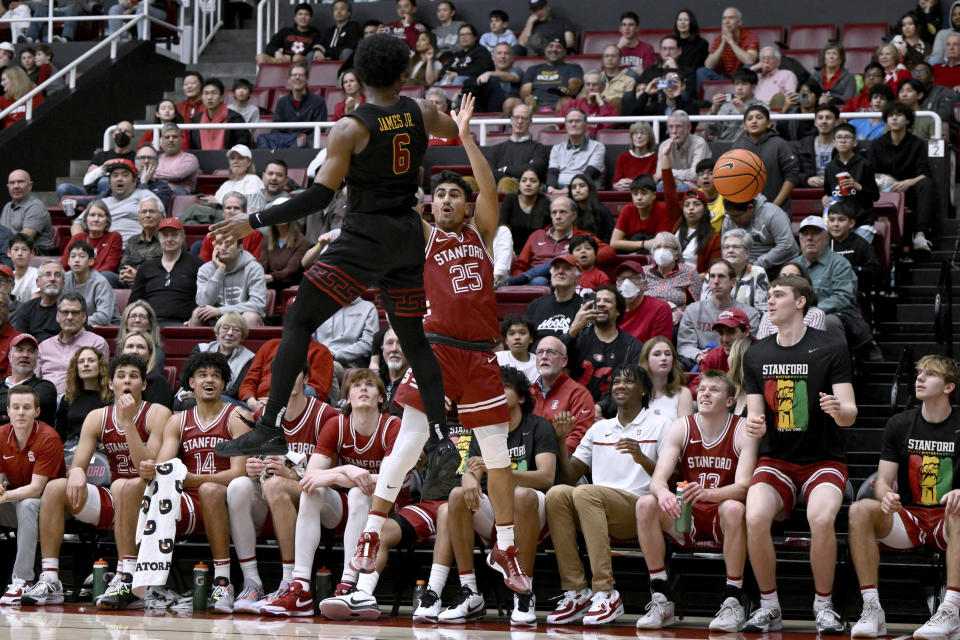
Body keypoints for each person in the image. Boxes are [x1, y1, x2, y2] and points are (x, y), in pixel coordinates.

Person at [209, 35, 460, 473]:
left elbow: (317, 198)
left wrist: (252, 220)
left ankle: (270, 425)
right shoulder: (419, 110)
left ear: (358, 77)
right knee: (416, 342)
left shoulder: (350, 128)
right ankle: (441, 441)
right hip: (407, 235)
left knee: (299, 320)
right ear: (403, 74)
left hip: (365, 236)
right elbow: (453, 131)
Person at [321, 96, 532, 616]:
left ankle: (505, 545)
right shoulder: (425, 236)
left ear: (464, 206)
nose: (443, 202)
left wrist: (463, 135)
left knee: (498, 455)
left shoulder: (482, 237)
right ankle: (371, 532)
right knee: (410, 439)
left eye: (451, 197)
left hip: (480, 356)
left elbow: (487, 187)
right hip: (435, 350)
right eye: (436, 195)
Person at [740, 274, 857, 634]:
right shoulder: (757, 352)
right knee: (755, 515)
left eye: (779, 295)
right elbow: (754, 416)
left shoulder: (830, 345)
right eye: (769, 296)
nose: (770, 301)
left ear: (801, 302)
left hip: (823, 459)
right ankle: (769, 605)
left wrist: (838, 409)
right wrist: (754, 426)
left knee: (821, 520)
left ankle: (823, 606)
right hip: (776, 460)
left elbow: (851, 414)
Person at [23, 355, 169, 608]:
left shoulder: (158, 413)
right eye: (121, 376)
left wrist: (127, 424)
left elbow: (147, 470)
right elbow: (78, 464)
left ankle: (128, 577)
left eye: (134, 376)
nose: (127, 381)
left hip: (152, 503)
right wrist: (77, 471)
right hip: (117, 497)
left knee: (127, 485)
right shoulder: (97, 417)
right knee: (56, 487)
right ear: (110, 384)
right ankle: (50, 579)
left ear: (143, 385)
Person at [258, 369, 401, 617]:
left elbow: (392, 479)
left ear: (381, 397)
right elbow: (310, 476)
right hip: (350, 511)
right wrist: (346, 470)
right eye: (357, 385)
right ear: (347, 396)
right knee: (312, 492)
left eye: (370, 385)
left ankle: (348, 583)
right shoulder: (337, 424)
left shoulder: (392, 424)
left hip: (388, 510)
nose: (363, 389)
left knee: (358, 493)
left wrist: (344, 476)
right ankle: (300, 587)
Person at [423, 365, 557, 626]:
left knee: (522, 497)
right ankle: (470, 591)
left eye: (504, 387)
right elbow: (469, 470)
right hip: (495, 511)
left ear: (520, 397)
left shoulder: (540, 426)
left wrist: (500, 471)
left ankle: (524, 592)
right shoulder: (482, 429)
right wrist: (471, 479)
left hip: (534, 513)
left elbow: (546, 477)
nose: (496, 392)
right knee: (457, 495)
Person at [545, 364, 672, 626]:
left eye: (628, 381)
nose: (620, 386)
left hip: (640, 510)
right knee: (557, 494)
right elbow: (569, 476)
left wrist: (640, 457)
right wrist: (560, 440)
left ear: (644, 390)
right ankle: (577, 592)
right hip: (594, 506)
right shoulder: (599, 429)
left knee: (586, 493)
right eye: (616, 382)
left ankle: (605, 592)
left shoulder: (661, 424)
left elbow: (671, 476)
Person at [634, 370, 759, 631]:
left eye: (713, 390)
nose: (704, 394)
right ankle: (661, 596)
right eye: (702, 389)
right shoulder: (682, 426)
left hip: (722, 514)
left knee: (735, 508)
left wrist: (709, 493)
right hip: (686, 514)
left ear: (729, 401)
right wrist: (665, 493)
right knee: (645, 503)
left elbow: (745, 487)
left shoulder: (742, 429)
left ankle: (733, 599)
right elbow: (658, 480)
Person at [848, 355, 960, 640]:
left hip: (948, 520)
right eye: (919, 373)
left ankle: (951, 610)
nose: (920, 378)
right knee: (860, 510)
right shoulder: (899, 424)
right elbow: (884, 480)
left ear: (949, 387)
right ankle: (872, 609)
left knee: (958, 509)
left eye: (930, 374)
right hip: (910, 516)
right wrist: (886, 496)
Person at [128, 352, 251, 612]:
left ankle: (223, 581)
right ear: (191, 383)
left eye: (216, 376)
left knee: (209, 489)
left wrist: (196, 479)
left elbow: (239, 472)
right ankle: (139, 579)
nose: (210, 380)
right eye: (203, 375)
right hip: (190, 498)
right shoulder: (178, 420)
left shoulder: (237, 416)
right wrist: (152, 468)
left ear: (224, 385)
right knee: (135, 490)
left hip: (231, 499)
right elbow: (164, 467)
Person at [225, 364, 339, 614]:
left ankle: (290, 582)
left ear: (306, 378)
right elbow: (255, 459)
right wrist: (253, 468)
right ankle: (251, 582)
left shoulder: (325, 414)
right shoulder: (265, 415)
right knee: (238, 486)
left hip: (326, 497)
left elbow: (332, 470)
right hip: (280, 494)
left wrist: (293, 472)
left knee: (276, 483)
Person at [0, 385, 64, 606]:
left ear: (37, 411)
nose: (20, 413)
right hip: (15, 502)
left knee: (27, 504)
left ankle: (22, 580)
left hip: (50, 508)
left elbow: (37, 489)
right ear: (8, 410)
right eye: (15, 407)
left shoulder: (48, 438)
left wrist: (4, 496)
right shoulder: (1, 435)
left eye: (26, 408)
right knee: (22, 503)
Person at [793, 215, 881, 361]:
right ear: (800, 239)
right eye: (805, 234)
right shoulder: (793, 266)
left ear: (826, 239)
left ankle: (835, 369)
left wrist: (811, 312)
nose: (809, 238)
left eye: (815, 233)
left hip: (836, 315)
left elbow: (843, 297)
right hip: (798, 315)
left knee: (827, 322)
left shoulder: (840, 264)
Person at [866, 102, 940, 253]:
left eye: (899, 115)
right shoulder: (877, 144)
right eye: (891, 115)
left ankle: (921, 234)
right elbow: (870, 173)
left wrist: (908, 182)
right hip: (883, 191)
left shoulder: (916, 143)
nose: (894, 118)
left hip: (909, 190)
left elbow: (925, 172)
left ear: (907, 120)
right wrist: (885, 183)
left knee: (927, 184)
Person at [678, 259, 760, 368]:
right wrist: (698, 355)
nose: (716, 281)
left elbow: (749, 348)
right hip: (700, 363)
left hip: (735, 364)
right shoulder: (693, 310)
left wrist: (717, 356)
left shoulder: (749, 314)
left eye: (721, 276)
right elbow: (685, 345)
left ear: (733, 282)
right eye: (712, 276)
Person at [130, 217, 204, 327]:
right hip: (150, 325)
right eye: (165, 235)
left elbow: (204, 299)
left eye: (174, 235)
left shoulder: (197, 265)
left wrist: (193, 320)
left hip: (184, 325)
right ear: (159, 238)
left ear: (183, 237)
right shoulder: (146, 267)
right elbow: (134, 302)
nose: (169, 239)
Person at [36, 293, 109, 397]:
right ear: (58, 316)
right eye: (65, 312)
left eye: (75, 313)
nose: (69, 317)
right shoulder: (44, 346)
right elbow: (34, 381)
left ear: (84, 316)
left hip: (79, 401)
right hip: (45, 402)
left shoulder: (96, 343)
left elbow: (100, 381)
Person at [70, 159, 156, 246]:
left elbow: (159, 223)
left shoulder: (146, 197)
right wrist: (83, 247)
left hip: (137, 249)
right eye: (115, 175)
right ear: (110, 183)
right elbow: (77, 224)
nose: (119, 179)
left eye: (125, 175)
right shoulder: (102, 203)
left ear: (134, 181)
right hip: (105, 251)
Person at [239, 337, 333, 415]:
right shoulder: (270, 345)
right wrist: (253, 403)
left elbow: (317, 391)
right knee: (226, 401)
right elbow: (248, 382)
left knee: (309, 391)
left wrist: (275, 402)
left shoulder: (320, 351)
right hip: (256, 404)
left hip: (291, 405)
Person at [733, 105, 800, 213]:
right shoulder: (737, 146)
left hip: (778, 209)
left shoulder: (780, 144)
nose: (754, 121)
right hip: (746, 212)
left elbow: (792, 176)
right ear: (745, 125)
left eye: (759, 118)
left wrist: (774, 206)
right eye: (750, 119)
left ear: (769, 123)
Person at [190, 238, 268, 329]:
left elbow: (258, 304)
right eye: (219, 243)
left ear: (240, 247)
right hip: (215, 319)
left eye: (228, 243)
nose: (223, 247)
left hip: (242, 318)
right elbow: (203, 303)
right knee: (198, 313)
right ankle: (198, 344)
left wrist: (220, 311)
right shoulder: (205, 269)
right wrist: (220, 271)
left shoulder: (254, 268)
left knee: (250, 317)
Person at [720, 194, 799, 275]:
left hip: (778, 267)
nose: (733, 221)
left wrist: (755, 266)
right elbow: (724, 247)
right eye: (730, 216)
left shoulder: (773, 214)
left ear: (750, 208)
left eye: (737, 217)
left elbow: (787, 245)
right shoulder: (729, 219)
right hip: (743, 268)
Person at [186, 312, 255, 406]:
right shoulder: (201, 349)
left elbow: (235, 391)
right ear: (217, 333)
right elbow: (187, 378)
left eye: (236, 330)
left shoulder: (249, 358)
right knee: (185, 402)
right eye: (225, 328)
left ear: (242, 336)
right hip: (191, 394)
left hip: (226, 400)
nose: (230, 333)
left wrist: (205, 395)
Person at [56, 120, 135, 201]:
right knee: (63, 188)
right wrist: (102, 169)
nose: (122, 133)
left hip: (119, 197)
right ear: (113, 134)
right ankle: (90, 202)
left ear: (132, 136)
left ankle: (90, 203)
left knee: (104, 182)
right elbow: (87, 182)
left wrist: (99, 173)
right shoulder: (100, 156)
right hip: (93, 193)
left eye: (126, 131)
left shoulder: (135, 158)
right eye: (119, 130)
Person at [257, 64, 327, 150]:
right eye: (294, 75)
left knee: (300, 142)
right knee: (262, 138)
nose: (297, 78)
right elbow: (276, 127)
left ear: (307, 79)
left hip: (305, 141)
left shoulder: (318, 101)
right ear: (289, 80)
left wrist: (303, 140)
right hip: (285, 139)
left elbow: (321, 129)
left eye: (301, 75)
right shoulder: (282, 102)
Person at [313, 295, 379, 386]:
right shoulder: (321, 308)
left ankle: (330, 401)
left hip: (350, 365)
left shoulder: (368, 307)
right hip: (320, 359)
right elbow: (311, 340)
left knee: (327, 368)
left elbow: (368, 343)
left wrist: (334, 355)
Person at [823, 123, 879, 228]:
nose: (843, 141)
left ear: (855, 143)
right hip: (840, 222)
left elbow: (875, 196)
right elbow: (829, 193)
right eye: (839, 138)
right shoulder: (830, 167)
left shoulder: (865, 164)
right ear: (834, 143)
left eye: (847, 137)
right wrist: (825, 198)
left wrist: (857, 186)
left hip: (863, 220)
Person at [485, 103, 549, 194]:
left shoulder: (538, 148)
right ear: (511, 120)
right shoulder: (496, 149)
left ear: (530, 122)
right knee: (468, 181)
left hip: (526, 192)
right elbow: (489, 173)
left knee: (506, 183)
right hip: (495, 190)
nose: (519, 121)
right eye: (516, 117)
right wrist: (515, 175)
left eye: (524, 118)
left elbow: (535, 168)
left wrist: (505, 169)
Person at [686, 308, 754, 393]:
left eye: (731, 332)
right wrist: (708, 392)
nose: (725, 339)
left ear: (746, 331)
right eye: (721, 333)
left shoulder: (761, 353)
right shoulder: (714, 356)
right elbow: (693, 387)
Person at [756, 262, 827, 338]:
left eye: (792, 276)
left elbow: (813, 347)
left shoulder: (815, 314)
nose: (786, 280)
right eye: (782, 277)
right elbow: (761, 348)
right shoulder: (768, 316)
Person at [643, 231, 703, 323]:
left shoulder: (689, 272)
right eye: (658, 247)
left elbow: (697, 306)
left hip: (674, 321)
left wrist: (679, 315)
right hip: (646, 317)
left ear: (676, 254)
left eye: (666, 247)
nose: (662, 251)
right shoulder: (644, 271)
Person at [826, 201, 882, 296]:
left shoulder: (861, 244)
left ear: (851, 223)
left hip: (856, 294)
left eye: (841, 220)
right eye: (832, 220)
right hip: (828, 293)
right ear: (827, 223)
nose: (835, 224)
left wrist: (851, 270)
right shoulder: (824, 244)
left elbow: (875, 270)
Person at [698, 6, 759, 88]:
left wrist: (731, 42)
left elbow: (750, 60)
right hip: (723, 79)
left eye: (731, 18)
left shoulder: (750, 37)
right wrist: (723, 44)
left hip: (742, 82)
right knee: (702, 72)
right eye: (724, 18)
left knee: (748, 68)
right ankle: (705, 101)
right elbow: (708, 65)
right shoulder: (718, 40)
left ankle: (744, 100)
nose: (726, 21)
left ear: (739, 22)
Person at [524, 256, 583, 340]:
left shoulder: (583, 308)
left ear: (577, 278)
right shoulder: (536, 304)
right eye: (556, 268)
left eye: (566, 268)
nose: (560, 271)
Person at [63, 240, 120, 326]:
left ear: (91, 261)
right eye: (73, 256)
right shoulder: (64, 280)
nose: (77, 260)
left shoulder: (101, 282)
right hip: (74, 326)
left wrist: (74, 320)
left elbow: (103, 317)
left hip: (104, 329)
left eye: (82, 256)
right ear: (68, 261)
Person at [497, 168, 550, 260]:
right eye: (524, 180)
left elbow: (546, 235)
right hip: (510, 251)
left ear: (540, 185)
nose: (528, 184)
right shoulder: (510, 200)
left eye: (533, 181)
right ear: (519, 184)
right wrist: (507, 249)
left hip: (535, 254)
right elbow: (503, 227)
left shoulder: (546, 203)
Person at [520, 38, 584, 113]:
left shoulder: (573, 67)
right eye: (551, 46)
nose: (554, 49)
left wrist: (568, 90)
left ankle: (560, 125)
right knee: (511, 102)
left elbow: (575, 84)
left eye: (558, 47)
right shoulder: (533, 69)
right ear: (545, 50)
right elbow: (525, 90)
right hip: (535, 103)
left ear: (564, 52)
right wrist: (528, 97)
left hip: (558, 103)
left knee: (567, 101)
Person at [615, 261, 674, 343]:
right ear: (617, 285)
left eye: (633, 278)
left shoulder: (659, 308)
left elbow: (659, 347)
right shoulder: (611, 308)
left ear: (644, 284)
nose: (626, 283)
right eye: (622, 279)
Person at [640, 336, 695, 421]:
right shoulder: (635, 393)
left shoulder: (683, 393)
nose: (664, 358)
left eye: (668, 354)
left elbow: (685, 431)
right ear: (646, 360)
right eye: (657, 354)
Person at [59, 200, 122, 275]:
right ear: (86, 220)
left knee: (107, 274)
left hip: (102, 280)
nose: (96, 219)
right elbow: (64, 264)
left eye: (101, 216)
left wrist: (89, 279)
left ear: (107, 221)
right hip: (78, 279)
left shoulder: (114, 237)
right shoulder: (78, 238)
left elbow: (110, 265)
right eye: (92, 215)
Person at [197, 193, 264, 259]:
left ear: (245, 212)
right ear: (223, 212)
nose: (231, 211)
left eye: (236, 208)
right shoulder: (212, 234)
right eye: (228, 208)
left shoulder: (255, 235)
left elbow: (254, 263)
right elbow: (204, 262)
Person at [706, 68, 764, 144]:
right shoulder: (724, 106)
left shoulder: (761, 106)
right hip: (722, 147)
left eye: (744, 84)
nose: (739, 88)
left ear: (753, 87)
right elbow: (711, 131)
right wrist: (714, 110)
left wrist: (743, 111)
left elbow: (762, 132)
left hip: (749, 148)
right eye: (737, 84)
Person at [116, 331, 173, 409]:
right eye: (130, 346)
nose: (134, 351)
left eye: (140, 347)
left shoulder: (157, 382)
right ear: (122, 352)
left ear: (150, 354)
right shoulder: (113, 378)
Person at [190, 79, 252, 151]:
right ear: (201, 97)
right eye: (206, 93)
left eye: (214, 93)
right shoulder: (196, 120)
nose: (209, 97)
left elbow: (243, 146)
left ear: (222, 97)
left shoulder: (234, 118)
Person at [1, 169, 54, 254]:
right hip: (10, 252)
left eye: (20, 182)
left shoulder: (36, 206)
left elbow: (24, 238)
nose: (16, 186)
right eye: (12, 183)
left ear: (30, 185)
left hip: (35, 255)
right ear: (8, 187)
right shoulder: (7, 207)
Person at [654, 111, 710, 190]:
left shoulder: (699, 143)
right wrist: (678, 180)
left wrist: (669, 172)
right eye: (670, 127)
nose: (674, 131)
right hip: (674, 182)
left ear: (688, 128)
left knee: (683, 188)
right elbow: (660, 176)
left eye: (678, 126)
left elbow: (695, 174)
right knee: (659, 188)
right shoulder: (664, 145)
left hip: (696, 184)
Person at [255, 2, 324, 65]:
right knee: (260, 57)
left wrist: (291, 58)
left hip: (302, 64)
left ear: (310, 18)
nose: (303, 17)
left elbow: (316, 51)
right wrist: (276, 52)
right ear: (295, 17)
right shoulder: (285, 31)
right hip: (282, 61)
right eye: (300, 14)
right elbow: (270, 46)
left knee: (297, 58)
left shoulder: (315, 34)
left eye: (306, 15)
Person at [115, 199, 163, 288]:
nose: (147, 215)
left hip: (154, 283)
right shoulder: (132, 240)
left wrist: (139, 275)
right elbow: (122, 266)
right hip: (128, 281)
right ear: (138, 217)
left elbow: (165, 269)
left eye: (152, 211)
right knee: (107, 277)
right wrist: (127, 273)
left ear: (161, 216)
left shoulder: (166, 240)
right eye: (144, 212)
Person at [11, 260, 62, 341]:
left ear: (63, 282)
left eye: (57, 275)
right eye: (47, 274)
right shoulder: (26, 309)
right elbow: (20, 342)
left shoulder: (72, 308)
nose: (52, 279)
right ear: (38, 282)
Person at [720, 228, 769, 312]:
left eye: (736, 247)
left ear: (747, 253)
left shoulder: (758, 273)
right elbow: (706, 308)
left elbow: (762, 310)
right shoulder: (714, 273)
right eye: (727, 247)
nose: (730, 250)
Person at [677, 189, 721, 273]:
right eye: (686, 205)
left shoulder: (714, 238)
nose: (691, 208)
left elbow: (715, 270)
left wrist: (694, 278)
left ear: (705, 209)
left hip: (694, 282)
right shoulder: (675, 225)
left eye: (696, 204)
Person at [259, 217, 308, 291]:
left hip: (291, 289)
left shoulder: (302, 242)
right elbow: (262, 266)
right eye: (277, 214)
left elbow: (291, 270)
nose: (281, 216)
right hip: (269, 288)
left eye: (284, 213)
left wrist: (272, 277)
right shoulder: (266, 240)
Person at [797, 104, 839, 189]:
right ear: (815, 122)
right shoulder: (802, 145)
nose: (824, 121)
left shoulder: (843, 144)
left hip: (836, 191)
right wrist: (807, 179)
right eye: (820, 118)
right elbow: (793, 172)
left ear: (836, 122)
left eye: (828, 118)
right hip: (810, 192)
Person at [156, 123, 200, 195]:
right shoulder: (158, 158)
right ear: (162, 141)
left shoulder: (190, 158)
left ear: (181, 139)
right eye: (167, 137)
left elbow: (177, 175)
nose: (171, 140)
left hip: (179, 196)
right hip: (157, 191)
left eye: (175, 137)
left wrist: (154, 173)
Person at [567, 174, 614, 242]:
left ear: (590, 188)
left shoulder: (602, 211)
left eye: (582, 186)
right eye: (573, 187)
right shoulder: (569, 211)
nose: (577, 190)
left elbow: (609, 238)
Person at [613, 122, 657, 191]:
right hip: (624, 193)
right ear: (631, 137)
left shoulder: (655, 158)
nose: (639, 136)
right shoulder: (622, 157)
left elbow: (653, 183)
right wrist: (617, 186)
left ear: (649, 137)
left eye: (643, 133)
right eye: (635, 133)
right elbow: (615, 182)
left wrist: (633, 184)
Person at [592, 45, 637, 112]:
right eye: (606, 56)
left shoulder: (629, 81)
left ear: (620, 59)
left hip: (616, 116)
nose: (609, 59)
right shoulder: (594, 78)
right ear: (603, 59)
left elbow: (628, 104)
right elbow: (582, 97)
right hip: (594, 112)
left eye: (613, 56)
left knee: (616, 101)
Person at [496, 316, 538, 383]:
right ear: (506, 340)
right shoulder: (497, 358)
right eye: (511, 334)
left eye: (522, 333)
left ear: (531, 338)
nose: (517, 337)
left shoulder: (538, 362)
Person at [8, 233, 37, 304]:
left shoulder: (37, 275)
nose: (20, 253)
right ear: (9, 253)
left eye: (24, 249)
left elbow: (33, 306)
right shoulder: (7, 277)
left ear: (32, 253)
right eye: (16, 249)